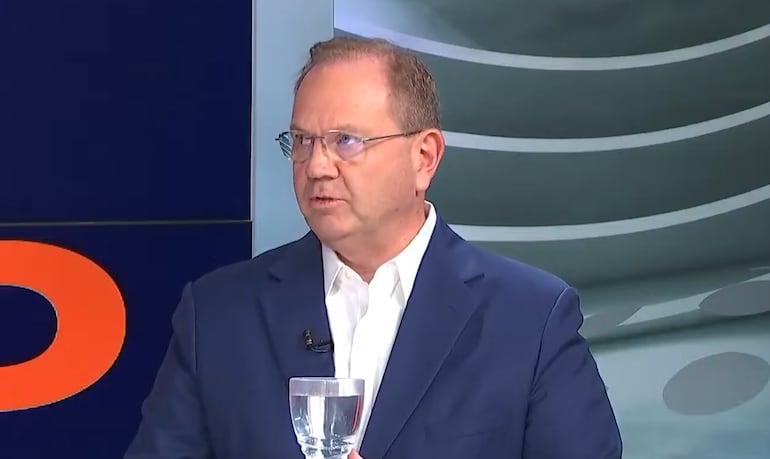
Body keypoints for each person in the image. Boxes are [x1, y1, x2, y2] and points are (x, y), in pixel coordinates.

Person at [125, 36, 622, 459]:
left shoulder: (531, 320)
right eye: (302, 141)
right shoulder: (217, 314)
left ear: (424, 157)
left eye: (346, 140)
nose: (317, 166)